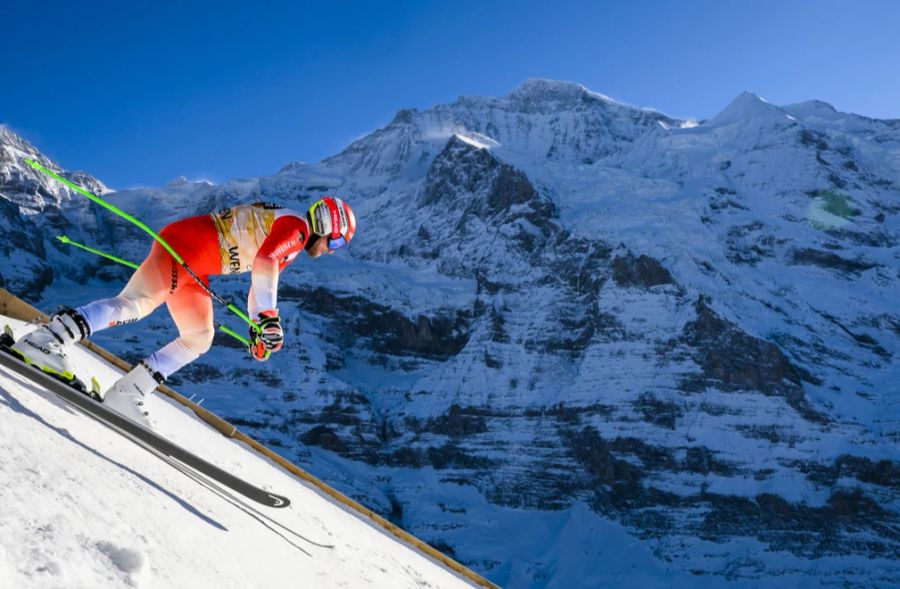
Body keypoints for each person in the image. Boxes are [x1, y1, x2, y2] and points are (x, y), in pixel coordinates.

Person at [11, 197, 356, 427]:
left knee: (199, 337)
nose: (331, 251)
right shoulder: (297, 229)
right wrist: (267, 319)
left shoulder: (291, 238)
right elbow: (264, 262)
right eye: (337, 242)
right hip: (185, 249)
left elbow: (262, 278)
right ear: (326, 225)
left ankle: (127, 394)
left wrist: (259, 326)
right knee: (135, 305)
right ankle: (45, 341)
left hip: (196, 265)